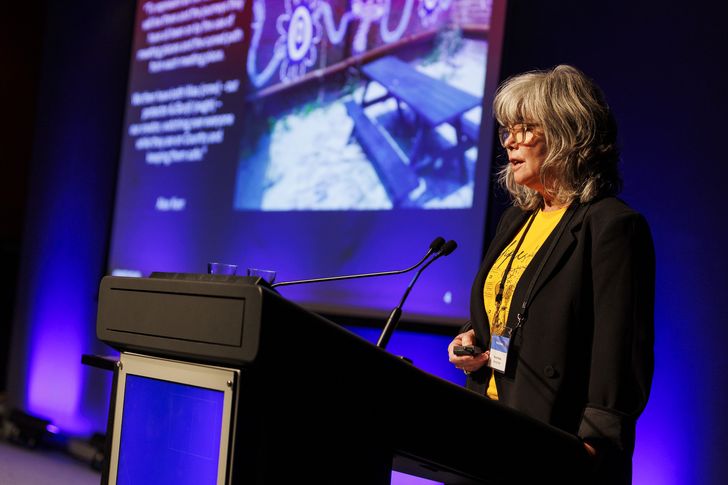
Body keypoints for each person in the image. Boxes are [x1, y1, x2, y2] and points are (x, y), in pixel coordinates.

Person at [448, 65, 654, 485]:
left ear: (566, 134)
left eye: (525, 128)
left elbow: (620, 350)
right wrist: (470, 339)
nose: (510, 141)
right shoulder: (515, 220)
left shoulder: (611, 226)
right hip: (484, 425)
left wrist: (595, 446)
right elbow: (510, 306)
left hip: (554, 441)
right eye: (507, 129)